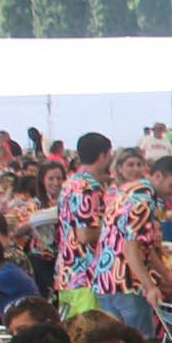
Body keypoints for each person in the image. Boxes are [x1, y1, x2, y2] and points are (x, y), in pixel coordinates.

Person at [92, 152, 172, 333]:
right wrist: (150, 287)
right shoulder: (142, 201)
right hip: (127, 284)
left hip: (104, 280)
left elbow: (145, 247)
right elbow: (131, 248)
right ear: (157, 176)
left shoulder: (127, 190)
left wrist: (168, 278)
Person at [53, 134, 114, 316]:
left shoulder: (70, 183)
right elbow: (85, 234)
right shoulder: (89, 188)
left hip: (67, 271)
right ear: (103, 155)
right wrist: (114, 226)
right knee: (90, 337)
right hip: (86, 274)